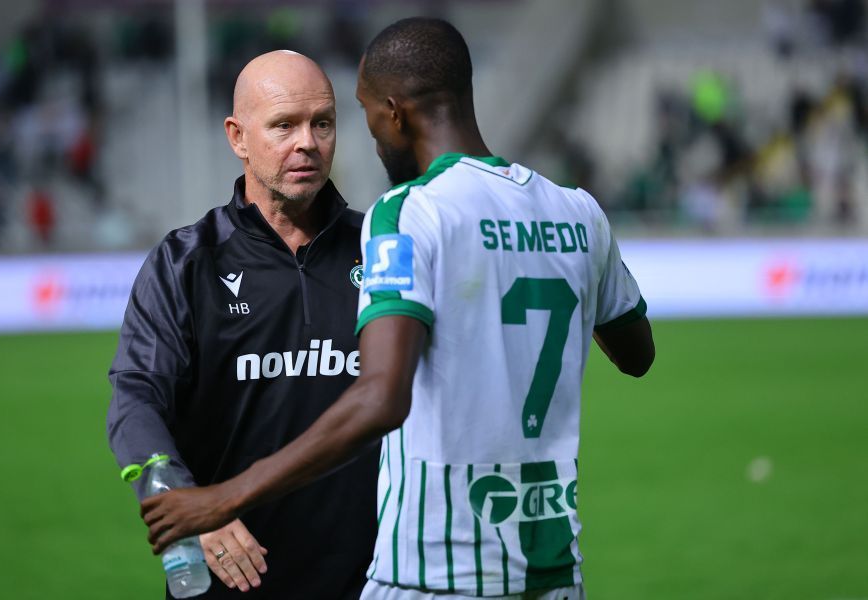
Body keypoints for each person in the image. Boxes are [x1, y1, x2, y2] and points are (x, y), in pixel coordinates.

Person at [140, 19, 656, 600]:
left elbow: (382, 398)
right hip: (554, 567)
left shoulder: (408, 211)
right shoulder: (578, 212)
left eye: (360, 115)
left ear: (394, 113)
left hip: (434, 572)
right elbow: (638, 355)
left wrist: (224, 496)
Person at [106, 50, 377, 599]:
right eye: (284, 125)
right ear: (238, 137)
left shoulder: (382, 248)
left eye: (322, 123)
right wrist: (187, 503)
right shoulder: (186, 263)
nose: (307, 142)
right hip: (232, 580)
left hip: (372, 582)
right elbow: (136, 398)